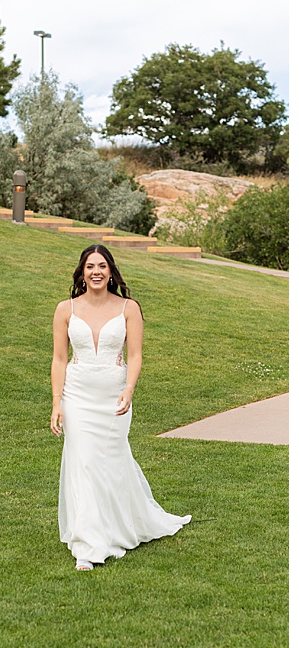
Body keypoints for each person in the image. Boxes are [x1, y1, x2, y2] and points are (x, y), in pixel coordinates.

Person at [51, 244, 190, 571]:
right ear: (81, 272)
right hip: (77, 394)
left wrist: (129, 390)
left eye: (101, 266)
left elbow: (136, 356)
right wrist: (57, 402)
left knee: (111, 462)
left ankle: (121, 524)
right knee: (82, 463)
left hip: (114, 396)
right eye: (89, 266)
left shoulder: (129, 308)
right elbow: (58, 359)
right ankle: (88, 544)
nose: (96, 272)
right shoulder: (65, 309)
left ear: (111, 271)